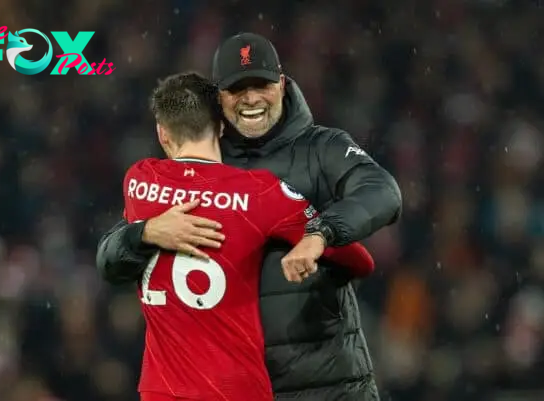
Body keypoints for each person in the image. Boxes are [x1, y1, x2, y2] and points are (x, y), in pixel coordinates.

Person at [98, 33, 402, 400]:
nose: (252, 98)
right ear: (217, 98)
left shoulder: (323, 148)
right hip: (237, 388)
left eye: (261, 84)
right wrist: (144, 233)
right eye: (238, 88)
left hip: (329, 382)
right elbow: (110, 263)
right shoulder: (192, 168)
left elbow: (382, 191)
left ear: (282, 84)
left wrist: (321, 233)